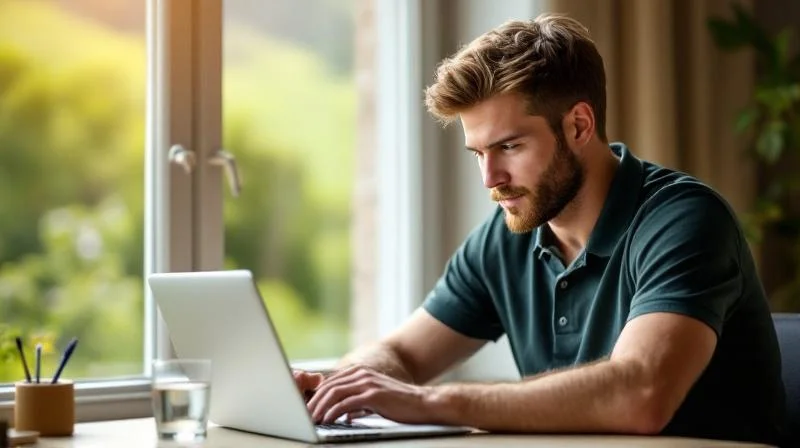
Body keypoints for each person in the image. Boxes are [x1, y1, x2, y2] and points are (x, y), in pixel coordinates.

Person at [295, 13, 786, 445]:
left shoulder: (683, 221)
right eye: (478, 154)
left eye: (508, 147)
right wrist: (338, 387)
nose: (490, 179)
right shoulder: (506, 234)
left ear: (578, 125)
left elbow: (641, 392)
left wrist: (432, 402)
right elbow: (402, 352)